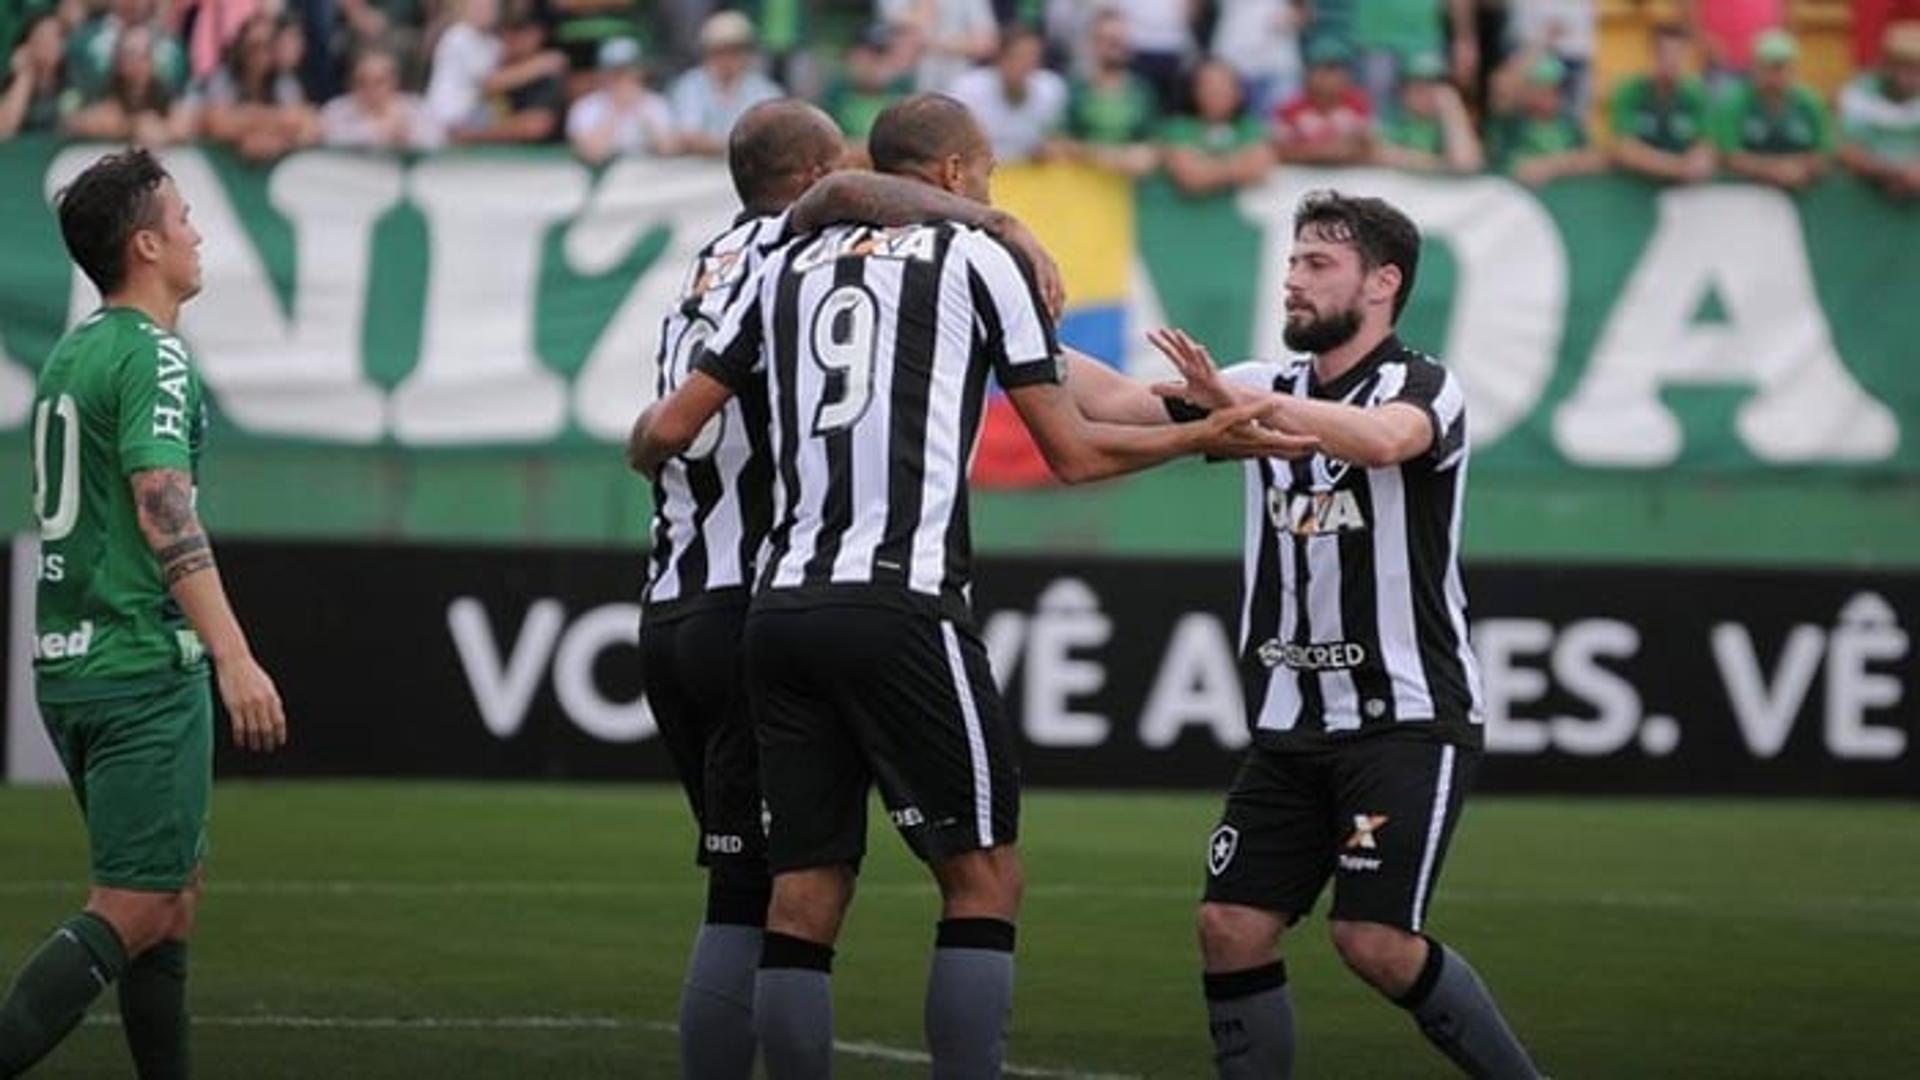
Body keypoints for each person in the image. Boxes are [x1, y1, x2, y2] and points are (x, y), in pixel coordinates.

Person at [632, 93, 1305, 1080]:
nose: (995, 190)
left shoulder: (766, 268)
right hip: (892, 598)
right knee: (983, 876)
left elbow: (664, 430)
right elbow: (1075, 443)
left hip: (754, 605)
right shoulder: (970, 253)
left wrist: (647, 442)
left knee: (785, 890)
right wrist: (1203, 435)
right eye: (986, 171)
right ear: (949, 177)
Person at [1146, 189, 1542, 1080]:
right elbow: (1128, 402)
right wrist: (1014, 332)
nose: (1292, 280)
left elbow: (1383, 441)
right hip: (1293, 722)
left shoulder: (1423, 385)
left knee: (1374, 941)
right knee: (1229, 926)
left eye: (1317, 264)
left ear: (1382, 282)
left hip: (1404, 718)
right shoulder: (1263, 387)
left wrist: (1243, 411)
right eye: (1292, 261)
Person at [0, 147, 287, 1078]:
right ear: (147, 244)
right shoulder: (153, 353)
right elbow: (165, 505)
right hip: (137, 665)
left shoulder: (76, 350)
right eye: (186, 218)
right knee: (136, 905)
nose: (200, 234)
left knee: (170, 902)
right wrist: (235, 656)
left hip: (72, 663)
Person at [1710, 28, 1831, 191]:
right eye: (1769, 67)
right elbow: (1729, 154)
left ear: (1794, 69)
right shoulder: (1734, 102)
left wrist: (1802, 168)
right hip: (1745, 195)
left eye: (1782, 67)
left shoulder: (1810, 103)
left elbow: (1825, 152)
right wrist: (1774, 170)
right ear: (1754, 68)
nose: (1775, 76)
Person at [190, 14, 320, 163]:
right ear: (241, 47)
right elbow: (218, 124)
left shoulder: (284, 81)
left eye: (268, 46)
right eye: (254, 46)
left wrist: (279, 143)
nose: (260, 55)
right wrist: (279, 121)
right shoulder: (223, 78)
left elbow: (309, 125)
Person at [1051, 8, 1160, 177]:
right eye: (1109, 41)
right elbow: (1056, 145)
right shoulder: (1075, 90)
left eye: (1121, 41)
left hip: (1127, 195)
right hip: (1080, 190)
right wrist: (1109, 156)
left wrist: (1086, 153)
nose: (1116, 47)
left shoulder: (1143, 92)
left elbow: (1150, 154)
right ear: (1092, 44)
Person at [1609, 21, 1716, 184]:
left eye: (1679, 54)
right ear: (1651, 53)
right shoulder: (1629, 92)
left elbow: (1706, 144)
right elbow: (1624, 148)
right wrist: (1677, 167)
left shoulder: (1696, 96)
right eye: (1665, 53)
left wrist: (1700, 158)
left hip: (1681, 193)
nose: (1672, 61)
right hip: (1635, 185)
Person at [669, 11, 783, 155]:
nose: (727, 58)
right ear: (707, 53)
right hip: (695, 170)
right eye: (719, 51)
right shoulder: (690, 85)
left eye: (735, 51)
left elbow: (774, 140)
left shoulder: (766, 90)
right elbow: (688, 138)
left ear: (747, 53)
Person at [948, 26, 1068, 163]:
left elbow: (1056, 142)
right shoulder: (967, 88)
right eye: (1017, 56)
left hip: (1029, 176)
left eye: (1032, 58)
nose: (1024, 64)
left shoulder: (1052, 89)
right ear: (999, 58)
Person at [1486, 50, 1605, 187]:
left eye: (1556, 88)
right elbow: (1520, 170)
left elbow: (1594, 159)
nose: (1552, 95)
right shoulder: (1509, 124)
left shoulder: (1569, 124)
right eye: (1543, 88)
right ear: (1526, 90)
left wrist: (1552, 166)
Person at [1160, 57, 1275, 196]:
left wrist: (1207, 166)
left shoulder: (1249, 125)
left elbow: (1259, 168)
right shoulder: (1179, 127)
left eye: (1225, 84)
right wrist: (1239, 163)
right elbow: (1191, 178)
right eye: (1208, 85)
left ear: (1239, 92)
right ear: (1193, 92)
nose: (1217, 91)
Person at [450, 10, 566, 145]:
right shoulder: (494, 63)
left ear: (537, 35)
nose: (510, 39)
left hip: (542, 159)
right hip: (485, 155)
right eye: (506, 32)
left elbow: (537, 125)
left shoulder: (548, 74)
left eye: (519, 32)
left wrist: (474, 134)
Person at [63, 25, 190, 146]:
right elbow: (74, 122)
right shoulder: (106, 88)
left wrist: (164, 131)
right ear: (119, 61)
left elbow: (184, 125)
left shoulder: (162, 90)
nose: (137, 62)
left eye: (144, 55)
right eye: (130, 55)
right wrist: (131, 126)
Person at [1837, 20, 1920, 199]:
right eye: (1905, 67)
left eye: (1918, 69)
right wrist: (1896, 173)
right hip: (1863, 199)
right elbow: (1847, 152)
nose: (1913, 77)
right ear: (1886, 64)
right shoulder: (1858, 93)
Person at [567, 36, 678, 163]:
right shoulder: (585, 107)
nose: (621, 77)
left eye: (627, 70)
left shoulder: (656, 103)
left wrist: (640, 109)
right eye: (615, 71)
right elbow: (593, 153)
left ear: (640, 71)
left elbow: (669, 149)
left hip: (650, 175)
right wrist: (616, 109)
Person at [1373, 51, 1482, 173]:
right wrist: (1443, 165)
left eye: (1435, 85)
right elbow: (1382, 155)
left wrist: (1452, 107)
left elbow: (1467, 164)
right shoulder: (1392, 120)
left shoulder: (1448, 124)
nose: (1428, 94)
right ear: (1403, 90)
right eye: (1420, 86)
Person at [1271, 36, 1373, 166]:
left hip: (1348, 176)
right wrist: (1324, 152)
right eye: (1324, 69)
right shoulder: (1288, 108)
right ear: (1308, 73)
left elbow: (1368, 147)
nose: (1331, 78)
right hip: (1300, 177)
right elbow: (1278, 150)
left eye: (1337, 69)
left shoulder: (1358, 104)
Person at [321, 46, 446, 149]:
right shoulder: (337, 109)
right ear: (352, 83)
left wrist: (406, 134)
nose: (370, 89)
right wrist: (377, 129)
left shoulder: (415, 107)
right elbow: (326, 137)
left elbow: (436, 140)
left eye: (379, 82)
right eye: (362, 82)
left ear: (394, 82)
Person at [822, 22, 912, 145]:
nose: (875, 63)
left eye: (883, 54)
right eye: (869, 55)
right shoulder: (836, 94)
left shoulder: (904, 94)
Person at [1209, 0, 1302, 117]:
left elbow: (1303, 10)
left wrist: (1293, 18)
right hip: (1232, 61)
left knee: (1281, 126)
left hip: (1278, 64)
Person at [422, 0, 502, 132]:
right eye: (478, 7)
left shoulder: (494, 44)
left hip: (474, 117)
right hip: (444, 119)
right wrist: (539, 65)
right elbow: (490, 83)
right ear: (467, 9)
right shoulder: (457, 36)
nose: (483, 12)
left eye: (488, 7)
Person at [0, 11, 73, 138]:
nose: (50, 43)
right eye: (43, 37)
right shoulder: (11, 84)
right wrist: (24, 75)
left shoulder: (73, 80)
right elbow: (4, 130)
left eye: (56, 36)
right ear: (27, 44)